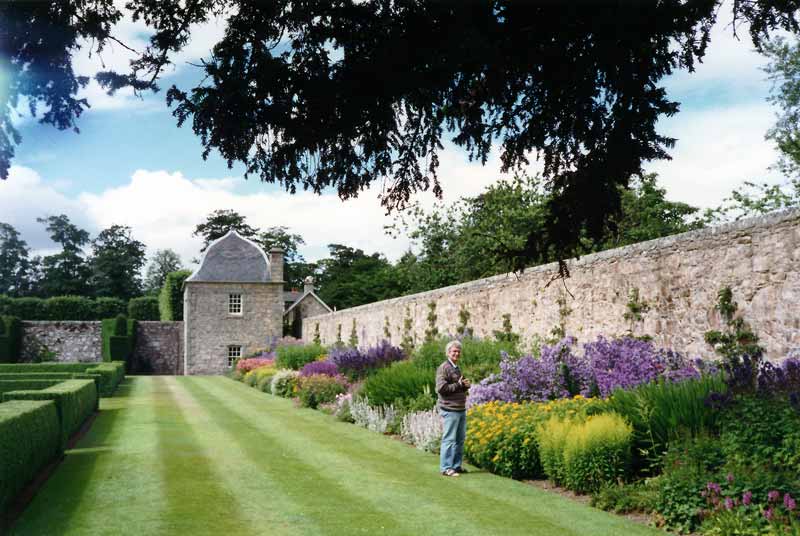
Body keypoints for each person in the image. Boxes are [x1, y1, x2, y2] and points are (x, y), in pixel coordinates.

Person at [436, 339, 470, 477]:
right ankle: (446, 468)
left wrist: (465, 386)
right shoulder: (444, 368)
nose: (456, 353)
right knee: (449, 439)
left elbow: (457, 386)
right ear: (448, 353)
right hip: (450, 409)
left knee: (459, 440)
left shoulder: (456, 368)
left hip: (460, 409)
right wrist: (459, 385)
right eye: (454, 351)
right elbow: (441, 388)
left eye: (458, 351)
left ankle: (456, 466)